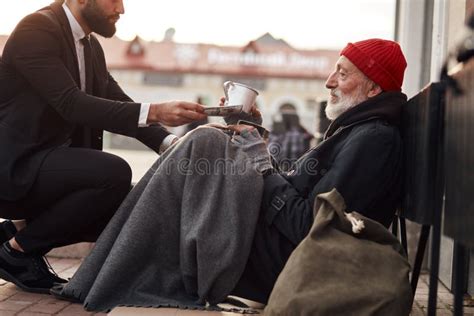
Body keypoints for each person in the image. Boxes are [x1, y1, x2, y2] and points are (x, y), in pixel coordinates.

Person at [55, 38, 408, 310]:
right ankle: (109, 274)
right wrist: (252, 132)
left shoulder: (372, 140)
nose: (329, 81)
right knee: (208, 145)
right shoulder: (358, 131)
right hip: (275, 245)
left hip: (287, 263)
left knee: (206, 143)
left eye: (343, 73)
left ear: (374, 88)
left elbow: (308, 227)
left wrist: (257, 161)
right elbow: (293, 187)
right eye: (334, 70)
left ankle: (108, 275)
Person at [0, 0, 207, 294]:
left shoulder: (90, 47)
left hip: (48, 169)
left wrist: (171, 143)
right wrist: (157, 110)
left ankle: (16, 235)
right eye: (114, 0)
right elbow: (71, 104)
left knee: (128, 204)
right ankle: (16, 253)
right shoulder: (36, 29)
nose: (121, 9)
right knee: (114, 173)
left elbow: (118, 101)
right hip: (15, 167)